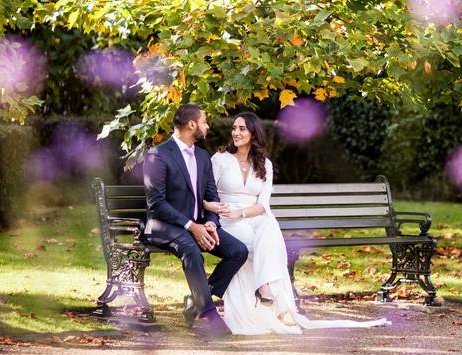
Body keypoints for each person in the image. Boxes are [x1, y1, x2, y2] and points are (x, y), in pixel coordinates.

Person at [204, 111, 390, 334]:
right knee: (257, 245)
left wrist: (241, 213)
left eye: (242, 128)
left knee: (266, 225)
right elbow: (205, 195)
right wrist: (215, 209)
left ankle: (263, 287)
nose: (236, 132)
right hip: (225, 218)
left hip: (250, 215)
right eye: (234, 128)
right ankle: (261, 290)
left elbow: (263, 205)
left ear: (254, 133)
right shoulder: (220, 159)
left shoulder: (265, 164)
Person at [143, 103, 249, 334]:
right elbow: (156, 204)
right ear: (192, 125)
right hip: (164, 226)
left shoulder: (202, 157)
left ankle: (197, 301)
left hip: (198, 224)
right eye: (204, 121)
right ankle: (209, 316)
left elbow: (211, 196)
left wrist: (211, 222)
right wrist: (193, 227)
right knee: (191, 249)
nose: (207, 126)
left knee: (238, 251)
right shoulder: (157, 156)